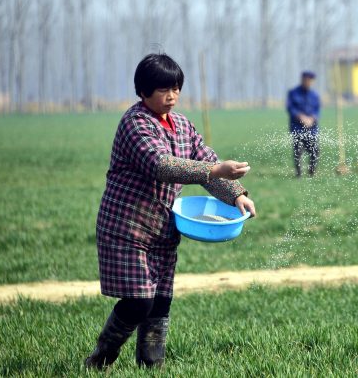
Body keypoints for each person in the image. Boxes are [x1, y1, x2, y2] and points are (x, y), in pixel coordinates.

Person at [84, 53, 256, 369]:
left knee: (161, 303)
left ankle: (152, 367)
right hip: (127, 227)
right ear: (143, 91)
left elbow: (205, 160)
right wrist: (216, 170)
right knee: (139, 302)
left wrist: (237, 197)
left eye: (176, 88)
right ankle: (100, 359)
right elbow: (161, 165)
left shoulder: (182, 125)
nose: (172, 96)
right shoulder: (135, 123)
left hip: (163, 229)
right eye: (163, 89)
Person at [287, 71, 321, 177]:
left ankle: (311, 173)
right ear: (302, 80)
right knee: (298, 151)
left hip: (312, 129)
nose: (308, 82)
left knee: (315, 151)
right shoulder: (293, 93)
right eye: (307, 80)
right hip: (297, 128)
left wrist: (312, 119)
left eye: (311, 80)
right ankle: (299, 174)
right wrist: (301, 117)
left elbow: (317, 110)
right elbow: (291, 108)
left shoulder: (315, 95)